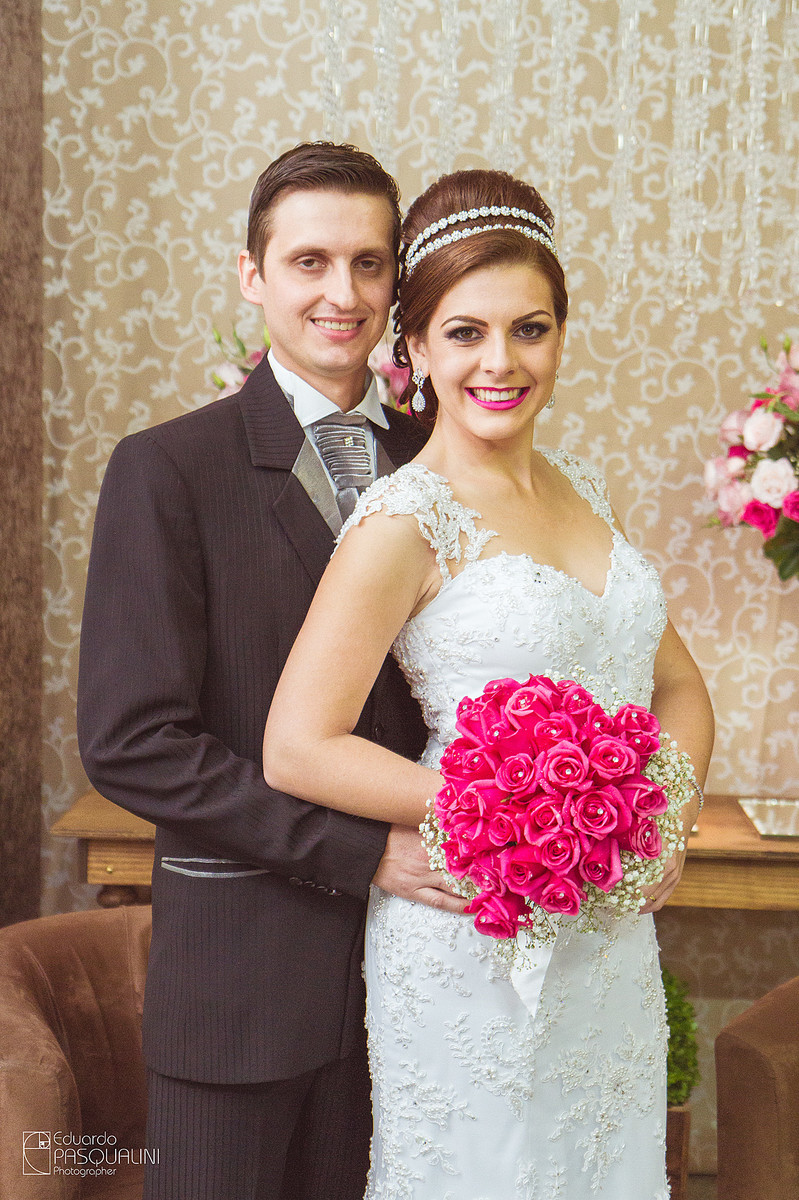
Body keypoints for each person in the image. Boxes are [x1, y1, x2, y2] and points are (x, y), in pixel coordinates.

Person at [264, 167, 715, 1198]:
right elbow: (298, 743)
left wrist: (662, 814)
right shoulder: (402, 517)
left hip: (609, 934)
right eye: (465, 332)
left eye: (531, 328)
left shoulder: (583, 490)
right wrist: (522, 803)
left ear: (560, 334)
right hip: (472, 931)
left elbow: (678, 689)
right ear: (412, 349)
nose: (501, 362)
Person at [77, 142, 464, 1200]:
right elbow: (133, 745)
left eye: (370, 265)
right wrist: (358, 849)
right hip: (240, 992)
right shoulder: (167, 470)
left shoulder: (444, 460)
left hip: (425, 981)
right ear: (253, 275)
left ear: (397, 283)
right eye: (308, 262)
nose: (342, 294)